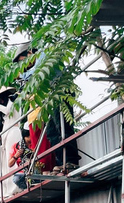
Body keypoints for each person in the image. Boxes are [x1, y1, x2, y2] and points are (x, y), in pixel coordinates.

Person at [13, 42, 80, 173]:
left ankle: (71, 161)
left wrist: (20, 76)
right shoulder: (34, 65)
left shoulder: (43, 54)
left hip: (60, 92)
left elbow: (38, 72)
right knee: (52, 132)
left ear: (30, 53)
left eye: (23, 62)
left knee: (63, 126)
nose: (25, 67)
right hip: (49, 98)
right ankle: (61, 163)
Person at [0, 86, 23, 198]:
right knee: (6, 164)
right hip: (7, 135)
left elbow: (10, 111)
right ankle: (6, 191)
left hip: (14, 133)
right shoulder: (3, 109)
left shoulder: (13, 101)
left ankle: (15, 188)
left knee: (13, 162)